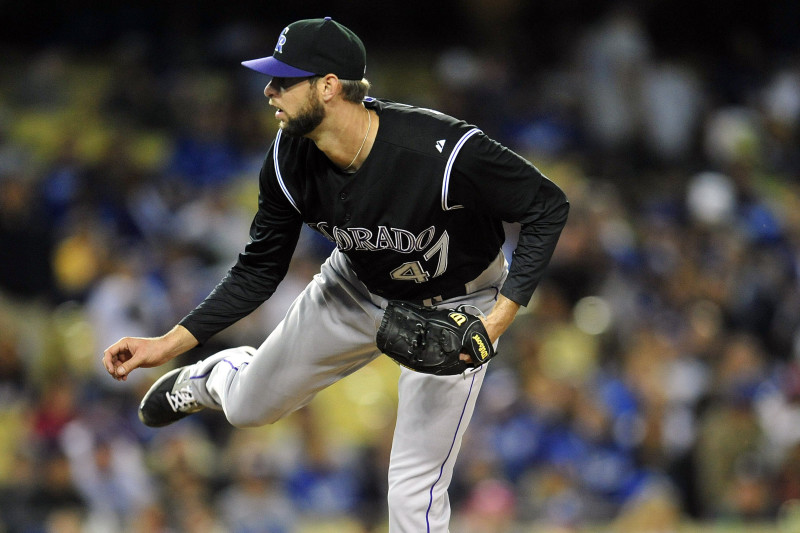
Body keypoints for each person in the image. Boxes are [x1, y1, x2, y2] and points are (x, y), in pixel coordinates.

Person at [103, 17, 569, 532]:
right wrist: (169, 343)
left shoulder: (439, 150)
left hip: (460, 306)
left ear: (328, 86)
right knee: (249, 408)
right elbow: (260, 268)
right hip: (355, 288)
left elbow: (547, 205)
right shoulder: (289, 157)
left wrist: (496, 322)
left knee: (416, 483)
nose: (269, 90)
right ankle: (213, 375)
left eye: (284, 80)